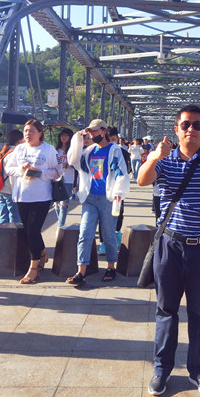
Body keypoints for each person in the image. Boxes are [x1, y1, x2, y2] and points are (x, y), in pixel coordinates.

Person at [138, 104, 200, 397]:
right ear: (176, 130)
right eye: (186, 124)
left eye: (197, 125)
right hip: (170, 246)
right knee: (166, 310)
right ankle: (161, 370)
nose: (191, 129)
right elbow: (141, 180)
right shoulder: (164, 161)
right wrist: (154, 156)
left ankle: (198, 370)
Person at [66, 119, 130, 284]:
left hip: (108, 198)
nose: (92, 134)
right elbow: (73, 161)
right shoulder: (89, 151)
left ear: (104, 131)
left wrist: (118, 193)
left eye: (95, 131)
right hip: (90, 198)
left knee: (108, 235)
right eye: (90, 132)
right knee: (85, 234)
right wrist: (78, 138)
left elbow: (121, 172)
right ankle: (81, 272)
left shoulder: (115, 150)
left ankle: (110, 267)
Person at [6, 119, 62, 283]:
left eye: (31, 131)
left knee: (32, 231)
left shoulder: (49, 149)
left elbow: (58, 171)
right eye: (25, 131)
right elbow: (8, 168)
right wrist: (21, 169)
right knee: (30, 231)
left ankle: (34, 269)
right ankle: (42, 253)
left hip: (41, 197)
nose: (27, 134)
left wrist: (40, 173)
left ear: (40, 133)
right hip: (22, 196)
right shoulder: (19, 149)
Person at [0, 129, 24, 225]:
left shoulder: (5, 152)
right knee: (14, 218)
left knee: (3, 216)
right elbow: (13, 176)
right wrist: (15, 193)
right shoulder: (14, 154)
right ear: (19, 141)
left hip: (1, 189)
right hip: (10, 191)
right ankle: (13, 234)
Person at [54, 128, 75, 229]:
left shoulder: (72, 150)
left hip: (68, 179)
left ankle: (60, 226)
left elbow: (76, 165)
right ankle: (61, 222)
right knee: (56, 204)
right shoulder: (55, 150)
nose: (64, 137)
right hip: (57, 179)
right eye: (62, 135)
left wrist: (65, 165)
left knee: (64, 203)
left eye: (66, 135)